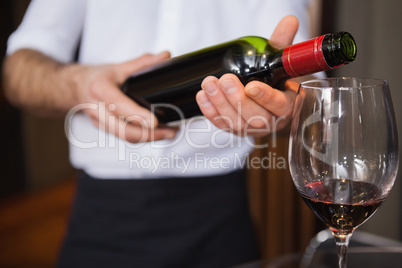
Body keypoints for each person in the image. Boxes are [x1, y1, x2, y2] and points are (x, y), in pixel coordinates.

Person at [3, 0, 313, 267]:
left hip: (222, 223)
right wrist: (78, 84)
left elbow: (303, 93)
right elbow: (19, 69)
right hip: (101, 218)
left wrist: (285, 108)